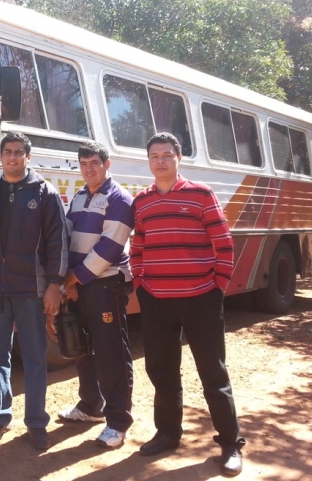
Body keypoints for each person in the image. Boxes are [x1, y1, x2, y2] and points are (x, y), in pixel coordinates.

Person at [130, 132, 245, 477]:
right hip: (157, 302)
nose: (160, 160)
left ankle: (230, 443)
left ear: (179, 159)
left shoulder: (200, 194)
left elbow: (223, 243)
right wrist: (141, 283)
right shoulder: (142, 202)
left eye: (167, 154)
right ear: (149, 161)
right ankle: (168, 433)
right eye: (154, 156)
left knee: (213, 373)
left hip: (200, 300)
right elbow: (138, 247)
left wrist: (216, 288)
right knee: (161, 371)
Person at [0, 131, 67, 451]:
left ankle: (36, 423)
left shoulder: (45, 192)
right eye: (7, 151)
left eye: (18, 152)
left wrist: (54, 284)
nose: (12, 157)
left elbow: (57, 242)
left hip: (32, 289)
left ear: (28, 156)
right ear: (0, 155)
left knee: (36, 357)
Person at [57, 141, 135, 449]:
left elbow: (110, 247)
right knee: (83, 347)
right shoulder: (78, 197)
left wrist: (73, 278)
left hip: (105, 285)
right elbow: (68, 236)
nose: (88, 168)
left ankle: (118, 423)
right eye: (84, 163)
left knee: (111, 352)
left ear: (107, 164)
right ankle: (91, 407)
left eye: (94, 163)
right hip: (80, 285)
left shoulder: (119, 199)